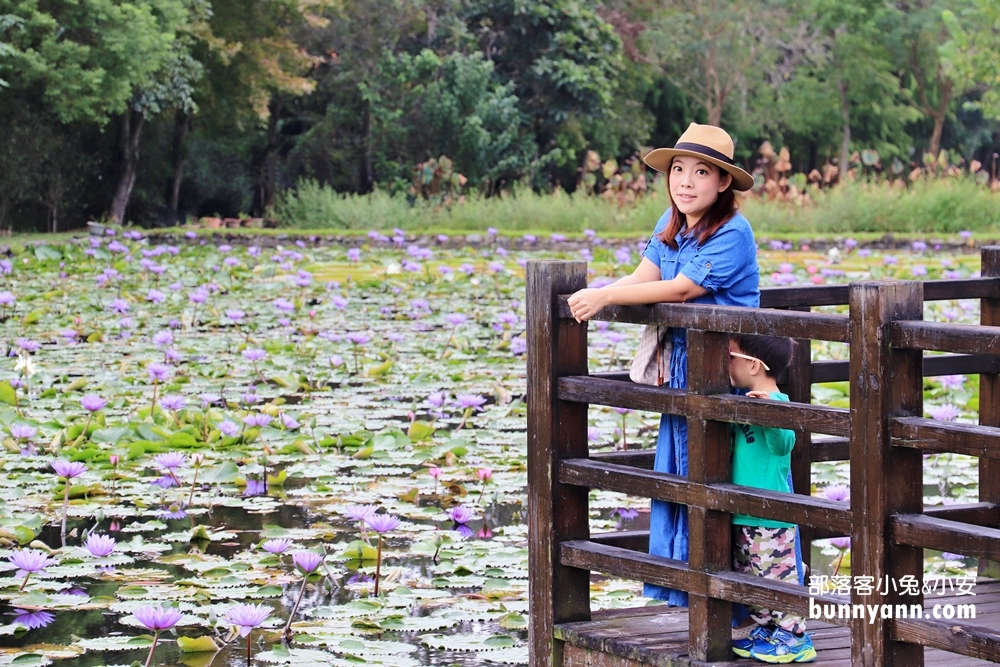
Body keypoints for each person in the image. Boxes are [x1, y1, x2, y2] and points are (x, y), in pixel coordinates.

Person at [567, 123, 760, 606]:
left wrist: (605, 295)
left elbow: (681, 289)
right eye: (678, 169)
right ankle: (687, 596)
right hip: (682, 374)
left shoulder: (734, 231)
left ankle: (733, 606)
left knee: (719, 484)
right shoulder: (669, 224)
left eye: (701, 172)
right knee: (679, 475)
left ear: (722, 183)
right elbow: (645, 277)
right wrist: (598, 294)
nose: (686, 181)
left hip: (726, 379)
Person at [726, 333, 815, 663]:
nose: (726, 364)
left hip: (771, 516)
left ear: (752, 364)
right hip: (742, 511)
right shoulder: (740, 399)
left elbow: (783, 445)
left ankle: (796, 637)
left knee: (776, 574)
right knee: (749, 573)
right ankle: (768, 627)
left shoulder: (777, 402)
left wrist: (769, 413)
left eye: (730, 357)